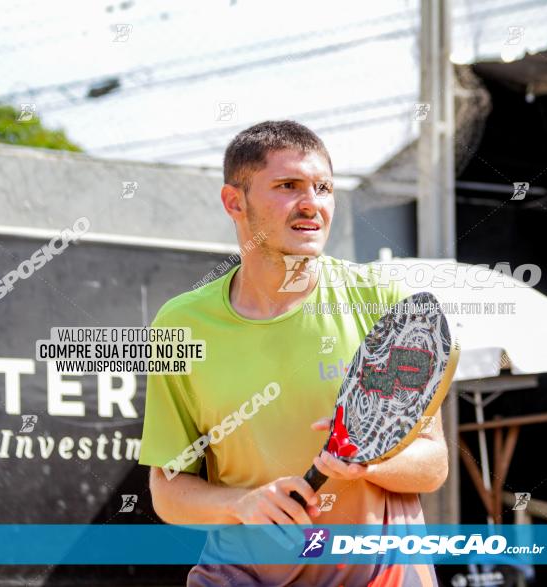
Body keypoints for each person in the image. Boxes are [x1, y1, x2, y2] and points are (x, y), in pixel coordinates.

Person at [138, 120, 447, 586]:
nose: (312, 204)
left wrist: (369, 463)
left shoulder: (383, 302)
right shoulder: (179, 324)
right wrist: (239, 504)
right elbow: (168, 490)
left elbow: (433, 464)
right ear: (234, 202)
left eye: (323, 188)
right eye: (288, 186)